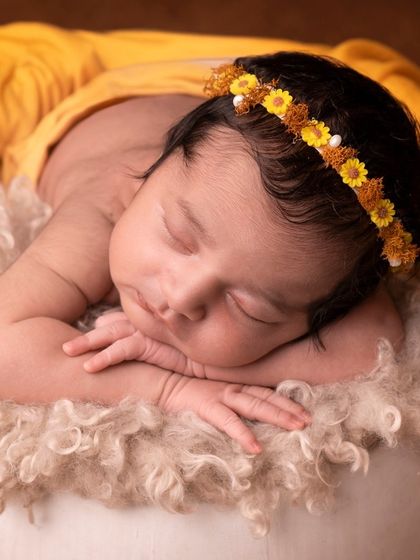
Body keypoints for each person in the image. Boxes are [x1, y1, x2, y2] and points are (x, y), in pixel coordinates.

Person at [0, 51, 418, 455]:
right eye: (178, 238)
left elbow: (376, 338)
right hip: (104, 99)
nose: (182, 297)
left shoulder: (308, 254)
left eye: (248, 306)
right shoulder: (107, 205)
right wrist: (168, 387)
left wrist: (203, 367)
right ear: (150, 177)